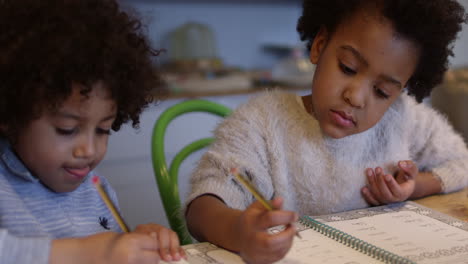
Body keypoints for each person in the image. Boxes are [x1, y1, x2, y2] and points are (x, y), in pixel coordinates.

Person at [185, 0, 468, 263]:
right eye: (347, 68)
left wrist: (415, 187)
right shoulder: (262, 122)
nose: (355, 98)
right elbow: (202, 207)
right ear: (320, 45)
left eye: (382, 92)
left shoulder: (402, 118)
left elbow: (462, 163)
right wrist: (238, 231)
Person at [0, 0, 185, 263]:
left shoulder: (96, 190)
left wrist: (135, 243)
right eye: (67, 129)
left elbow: (108, 250)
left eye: (102, 130)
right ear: (11, 114)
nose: (89, 151)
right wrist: (81, 253)